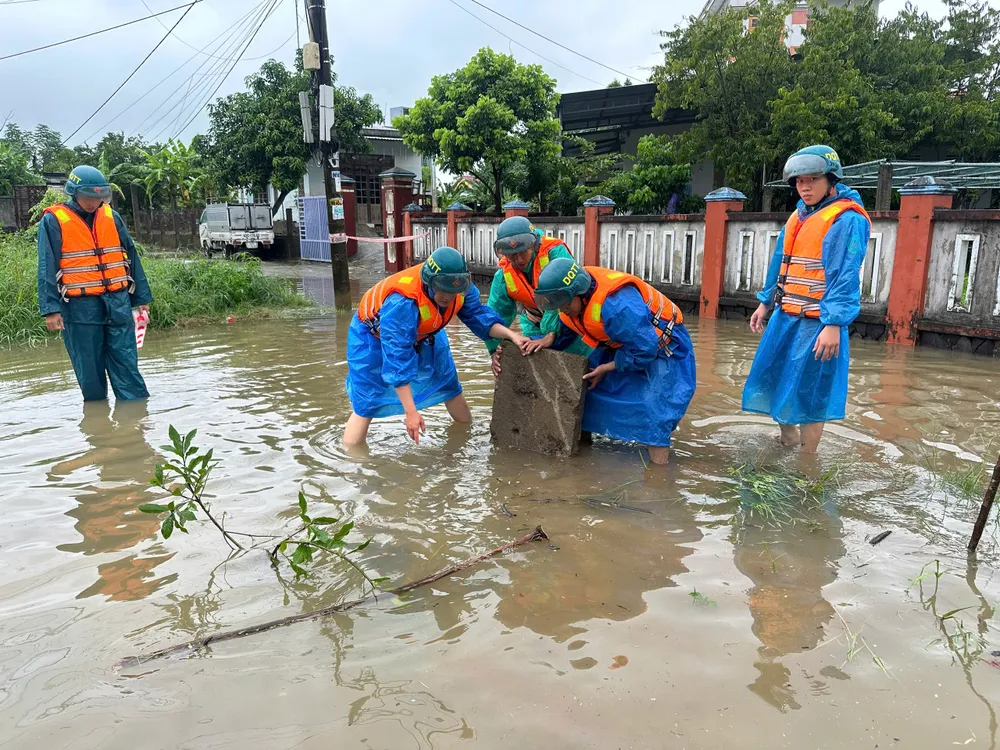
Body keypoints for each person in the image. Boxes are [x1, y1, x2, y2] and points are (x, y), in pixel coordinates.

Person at [742, 145, 871, 453]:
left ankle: (807, 460)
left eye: (813, 179)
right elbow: (779, 261)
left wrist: (833, 324)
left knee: (812, 392)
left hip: (819, 323)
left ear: (831, 180)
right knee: (774, 377)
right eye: (800, 181)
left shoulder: (847, 219)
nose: (805, 187)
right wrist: (765, 302)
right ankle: (787, 440)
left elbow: (846, 274)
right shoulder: (799, 215)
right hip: (785, 316)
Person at [344, 246, 531, 446]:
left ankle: (465, 434)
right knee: (368, 399)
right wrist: (411, 412)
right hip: (373, 337)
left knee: (448, 383)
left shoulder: (461, 288)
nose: (448, 297)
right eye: (443, 290)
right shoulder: (403, 302)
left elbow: (480, 318)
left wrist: (512, 335)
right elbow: (397, 357)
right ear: (430, 282)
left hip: (426, 333)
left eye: (453, 292)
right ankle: (353, 458)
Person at [530, 259, 697, 465]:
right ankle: (581, 461)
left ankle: (659, 474)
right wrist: (544, 340)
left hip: (663, 348)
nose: (562, 310)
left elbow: (645, 349)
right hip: (621, 345)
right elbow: (567, 332)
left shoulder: (618, 305)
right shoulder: (574, 301)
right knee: (587, 394)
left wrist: (608, 367)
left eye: (565, 305)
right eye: (558, 306)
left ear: (579, 293)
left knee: (655, 412)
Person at [38, 165, 152, 402]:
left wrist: (141, 298)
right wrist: (51, 309)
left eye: (98, 197)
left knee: (127, 365)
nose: (93, 202)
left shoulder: (112, 217)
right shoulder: (53, 221)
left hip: (118, 303)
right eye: (88, 197)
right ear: (74, 192)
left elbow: (130, 255)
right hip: (80, 309)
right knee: (90, 372)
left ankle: (136, 416)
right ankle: (97, 416)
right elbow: (46, 265)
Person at [485, 216, 590, 374]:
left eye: (523, 252)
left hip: (568, 321)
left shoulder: (555, 253)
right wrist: (494, 350)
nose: (519, 260)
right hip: (534, 324)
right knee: (538, 369)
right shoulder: (503, 275)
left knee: (580, 370)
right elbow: (495, 314)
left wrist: (551, 334)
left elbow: (564, 294)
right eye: (512, 255)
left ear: (534, 245)